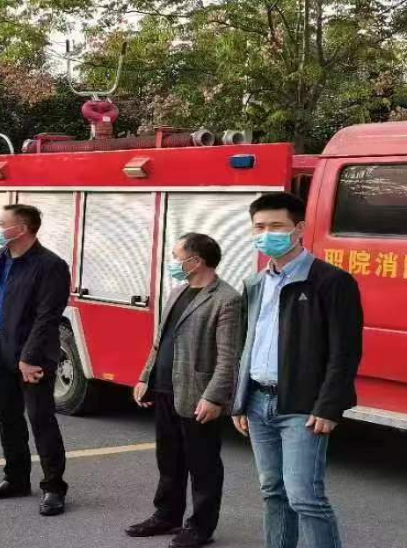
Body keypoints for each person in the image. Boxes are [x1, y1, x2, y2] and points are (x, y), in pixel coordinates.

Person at [231, 192, 363, 548]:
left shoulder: (331, 281)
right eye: (259, 227)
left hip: (303, 407)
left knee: (305, 497)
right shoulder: (255, 284)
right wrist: (239, 400)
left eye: (277, 226)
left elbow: (345, 351)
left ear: (299, 229)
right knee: (272, 491)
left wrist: (329, 406)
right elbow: (246, 345)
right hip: (258, 402)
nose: (266, 234)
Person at [126, 234, 244, 548]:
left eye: (177, 256)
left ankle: (201, 528)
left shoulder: (226, 299)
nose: (173, 262)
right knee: (169, 460)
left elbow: (228, 357)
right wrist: (145, 378)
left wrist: (214, 397)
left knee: (203, 465)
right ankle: (166, 515)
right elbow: (160, 342)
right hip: (167, 390)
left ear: (196, 261)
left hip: (198, 396)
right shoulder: (178, 291)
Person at [0, 204, 71, 517]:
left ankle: (54, 487)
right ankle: (15, 478)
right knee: (8, 418)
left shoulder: (50, 265)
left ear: (23, 229)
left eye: (2, 223)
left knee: (41, 420)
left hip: (32, 355)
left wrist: (29, 358)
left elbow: (48, 316)